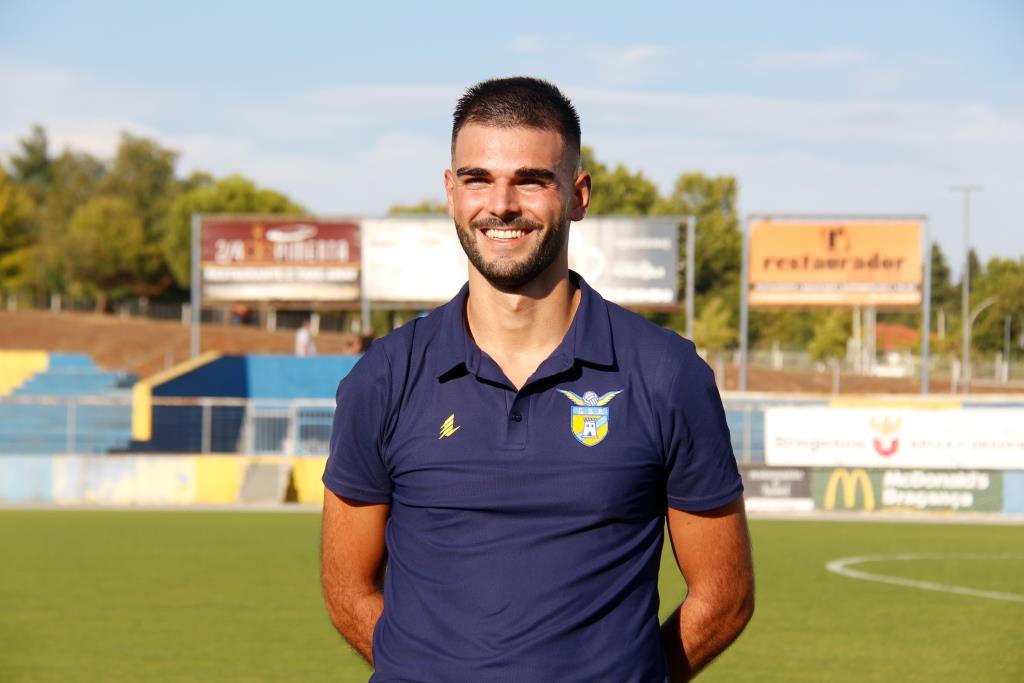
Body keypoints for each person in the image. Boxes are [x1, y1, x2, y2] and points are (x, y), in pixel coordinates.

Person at [321, 77, 754, 682]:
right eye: (477, 179)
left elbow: (725, 595)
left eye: (531, 179)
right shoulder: (384, 378)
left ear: (578, 195)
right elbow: (346, 587)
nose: (501, 204)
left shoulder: (667, 374)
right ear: (451, 192)